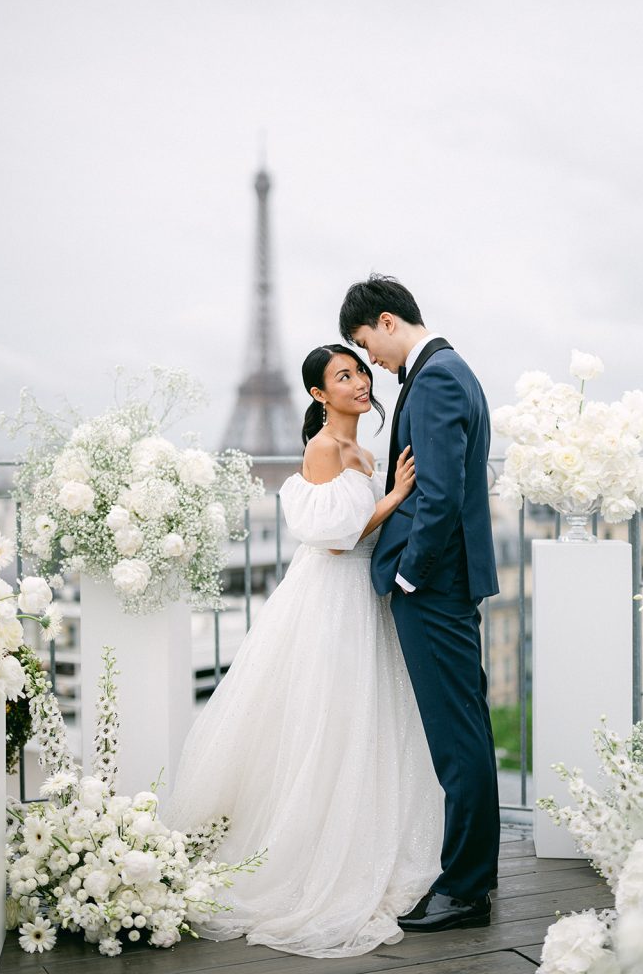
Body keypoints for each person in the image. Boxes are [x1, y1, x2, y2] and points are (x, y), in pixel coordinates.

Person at [163, 343, 444, 958]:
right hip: (332, 598)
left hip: (362, 601)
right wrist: (393, 497)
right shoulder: (324, 449)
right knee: (331, 719)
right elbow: (336, 541)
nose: (359, 382)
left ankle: (356, 838)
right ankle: (316, 851)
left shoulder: (361, 451)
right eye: (343, 376)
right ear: (319, 394)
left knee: (360, 722)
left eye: (360, 371)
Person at [339, 274, 500, 933]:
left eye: (363, 343)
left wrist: (407, 577)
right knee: (465, 731)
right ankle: (469, 880)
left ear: (385, 321)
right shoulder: (451, 367)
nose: (369, 360)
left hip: (432, 587)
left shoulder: (432, 378)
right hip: (450, 583)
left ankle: (463, 889)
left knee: (456, 739)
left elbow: (436, 496)